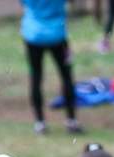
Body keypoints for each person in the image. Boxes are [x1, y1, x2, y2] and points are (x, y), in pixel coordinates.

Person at [21, 0, 81, 135]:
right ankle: (71, 121)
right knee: (66, 76)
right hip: (58, 35)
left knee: (36, 77)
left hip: (33, 35)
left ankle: (40, 123)